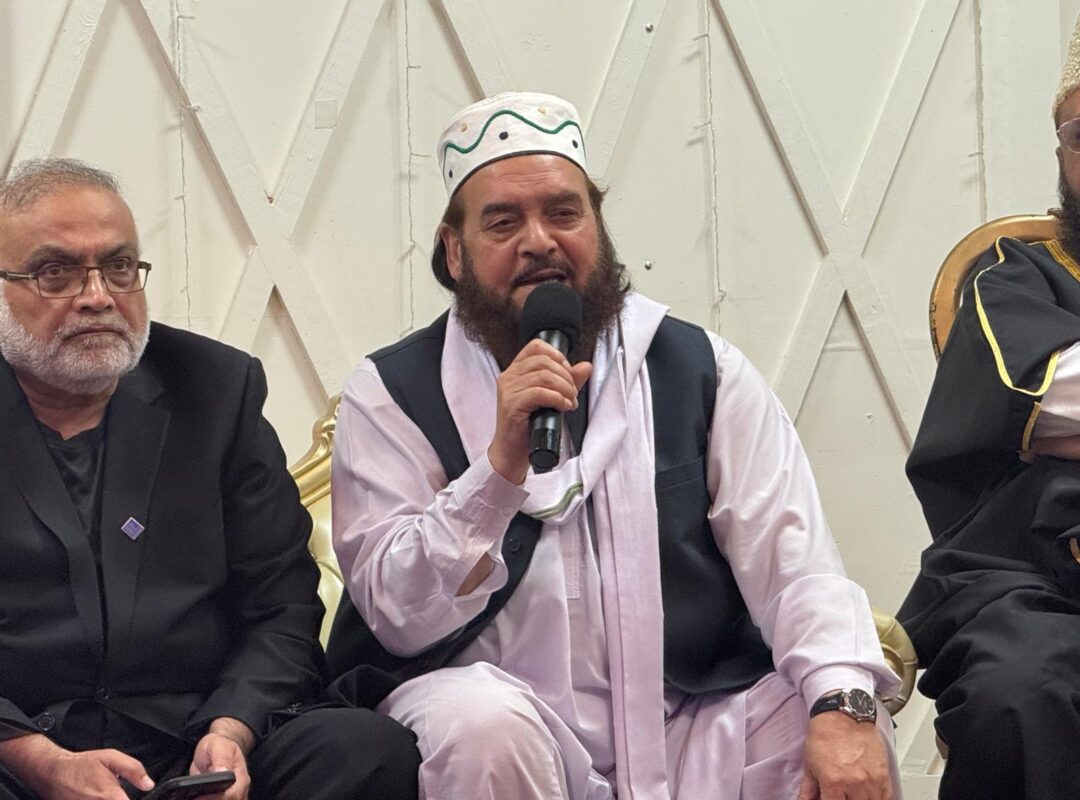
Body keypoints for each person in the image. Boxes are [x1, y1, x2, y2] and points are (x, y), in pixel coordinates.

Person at [328, 91, 901, 800]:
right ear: (454, 249)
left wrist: (843, 700)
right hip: (491, 725)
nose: (539, 241)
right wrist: (497, 470)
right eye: (503, 222)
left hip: (683, 720)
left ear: (597, 227)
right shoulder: (391, 393)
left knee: (831, 725)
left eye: (563, 213)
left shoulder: (699, 370)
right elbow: (396, 612)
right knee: (483, 727)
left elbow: (795, 565)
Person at [0, 158, 420, 800]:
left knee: (361, 750)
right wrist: (35, 758)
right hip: (20, 754)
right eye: (56, 272)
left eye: (119, 266)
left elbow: (282, 605)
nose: (98, 295)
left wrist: (231, 730)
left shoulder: (215, 389)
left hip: (191, 742)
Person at [897, 15, 1080, 800]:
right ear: (1062, 155)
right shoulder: (1015, 276)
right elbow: (1055, 393)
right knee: (1017, 691)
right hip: (1035, 580)